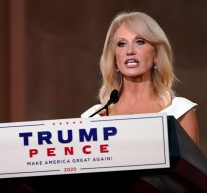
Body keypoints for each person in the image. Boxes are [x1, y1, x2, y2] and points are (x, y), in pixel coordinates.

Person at [81, 11, 199, 145]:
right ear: (114, 58)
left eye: (140, 41)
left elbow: (190, 165)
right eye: (121, 44)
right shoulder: (93, 118)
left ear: (156, 54)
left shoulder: (179, 112)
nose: (130, 51)